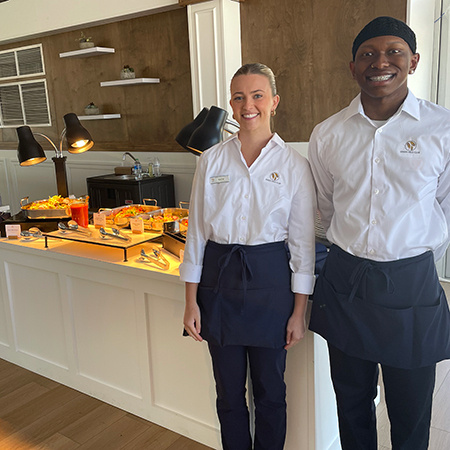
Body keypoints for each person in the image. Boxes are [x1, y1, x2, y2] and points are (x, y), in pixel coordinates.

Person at [308, 16, 450, 450]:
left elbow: (443, 204)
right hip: (345, 282)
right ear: (353, 67)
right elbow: (325, 208)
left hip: (411, 284)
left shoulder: (441, 128)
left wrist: (407, 245)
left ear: (413, 61)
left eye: (393, 52)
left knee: (411, 409)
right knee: (351, 403)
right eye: (367, 54)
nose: (380, 62)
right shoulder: (328, 133)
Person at [179, 63, 316, 450]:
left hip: (272, 287)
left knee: (271, 393)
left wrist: (298, 312)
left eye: (257, 96)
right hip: (218, 286)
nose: (247, 105)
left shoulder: (294, 166)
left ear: (274, 102)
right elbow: (197, 236)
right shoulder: (211, 161)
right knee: (228, 394)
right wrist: (190, 301)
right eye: (239, 97)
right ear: (230, 104)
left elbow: (303, 246)